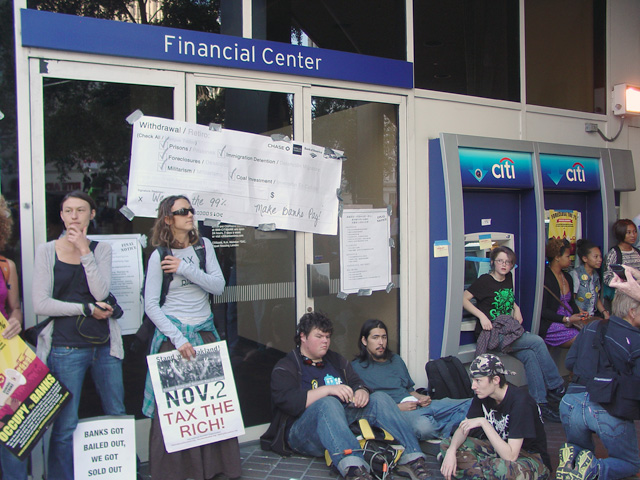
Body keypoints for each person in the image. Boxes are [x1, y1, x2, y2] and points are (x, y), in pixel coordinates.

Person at [263, 311, 432, 480]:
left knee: (380, 398)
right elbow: (289, 402)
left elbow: (358, 382)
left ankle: (412, 458)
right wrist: (328, 390)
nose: (325, 341)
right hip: (302, 433)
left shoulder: (335, 360)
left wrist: (361, 391)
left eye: (328, 337)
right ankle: (355, 469)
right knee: (328, 403)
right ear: (303, 337)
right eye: (319, 336)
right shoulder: (287, 365)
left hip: (341, 425)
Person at [141, 195, 240, 480]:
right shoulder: (158, 256)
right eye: (182, 211)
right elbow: (151, 305)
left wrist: (184, 268)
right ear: (168, 219)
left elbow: (218, 286)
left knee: (209, 405)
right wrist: (176, 339)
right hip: (174, 337)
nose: (189, 215)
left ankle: (215, 468)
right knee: (176, 409)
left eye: (191, 210)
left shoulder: (203, 247)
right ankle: (176, 472)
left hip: (204, 331)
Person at [32, 191, 125, 480]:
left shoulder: (101, 250)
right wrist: (84, 309)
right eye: (68, 210)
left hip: (104, 346)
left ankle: (120, 471)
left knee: (116, 412)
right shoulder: (47, 250)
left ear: (92, 214)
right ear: (61, 215)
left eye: (81, 210)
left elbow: (100, 292)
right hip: (65, 348)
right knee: (65, 424)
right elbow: (40, 303)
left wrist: (85, 251)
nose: (74, 216)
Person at [462, 245, 565, 422]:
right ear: (493, 262)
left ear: (511, 266)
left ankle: (539, 405)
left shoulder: (508, 277)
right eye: (500, 261)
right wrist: (481, 317)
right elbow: (464, 299)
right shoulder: (484, 281)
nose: (504, 265)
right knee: (537, 342)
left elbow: (507, 297)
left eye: (508, 262)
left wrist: (515, 308)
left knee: (530, 356)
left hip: (507, 330)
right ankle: (556, 387)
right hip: (491, 334)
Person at [556, 287, 640, 480]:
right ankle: (595, 469)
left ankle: (573, 460)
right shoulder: (636, 340)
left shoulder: (592, 327)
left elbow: (569, 363)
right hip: (607, 405)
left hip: (571, 403)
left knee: (580, 452)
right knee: (629, 462)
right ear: (632, 311)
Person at [351, 319, 471, 441]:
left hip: (418, 405)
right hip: (399, 413)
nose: (381, 342)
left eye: (384, 337)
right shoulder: (356, 368)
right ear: (364, 341)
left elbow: (409, 390)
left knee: (470, 404)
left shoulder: (395, 360)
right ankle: (448, 430)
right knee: (425, 428)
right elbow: (365, 408)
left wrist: (421, 398)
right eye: (375, 338)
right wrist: (398, 407)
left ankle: (444, 430)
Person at [440, 354, 551, 480]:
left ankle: (475, 472)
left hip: (529, 458)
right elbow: (464, 428)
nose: (473, 386)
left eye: (478, 381)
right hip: (498, 452)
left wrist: (484, 423)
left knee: (500, 469)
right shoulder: (482, 394)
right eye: (473, 380)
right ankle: (483, 472)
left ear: (496, 380)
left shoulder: (521, 402)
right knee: (448, 444)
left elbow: (511, 456)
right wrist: (451, 451)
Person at [0, 196, 27, 480]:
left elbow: (15, 308)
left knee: (12, 434)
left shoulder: (6, 265)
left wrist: (16, 321)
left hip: (3, 360)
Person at [541, 238, 586, 348]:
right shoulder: (545, 277)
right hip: (552, 324)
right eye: (567, 256)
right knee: (583, 338)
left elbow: (571, 303)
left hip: (570, 322)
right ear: (557, 257)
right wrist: (567, 319)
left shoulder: (567, 277)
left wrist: (580, 315)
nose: (570, 259)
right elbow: (543, 310)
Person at [602, 219, 640, 306]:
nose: (633, 235)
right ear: (621, 233)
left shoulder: (637, 252)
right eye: (629, 232)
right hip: (622, 299)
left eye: (634, 232)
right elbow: (607, 276)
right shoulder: (614, 253)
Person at [569, 239, 609, 320]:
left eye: (600, 256)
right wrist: (582, 313)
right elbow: (571, 300)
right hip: (578, 317)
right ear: (585, 259)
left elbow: (596, 298)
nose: (600, 259)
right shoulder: (576, 274)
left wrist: (604, 312)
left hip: (591, 316)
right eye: (595, 257)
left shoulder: (595, 275)